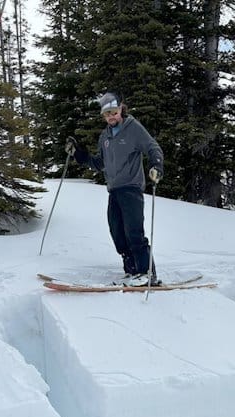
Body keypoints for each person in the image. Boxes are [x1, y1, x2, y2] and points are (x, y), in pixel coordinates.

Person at [65, 92, 164, 286]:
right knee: (117, 233)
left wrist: (156, 165)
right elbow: (100, 163)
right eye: (106, 114)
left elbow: (153, 148)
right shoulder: (105, 136)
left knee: (134, 232)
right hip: (114, 190)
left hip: (131, 188)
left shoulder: (133, 128)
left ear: (121, 109)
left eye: (114, 112)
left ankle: (147, 273)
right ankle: (132, 271)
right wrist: (79, 155)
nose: (111, 117)